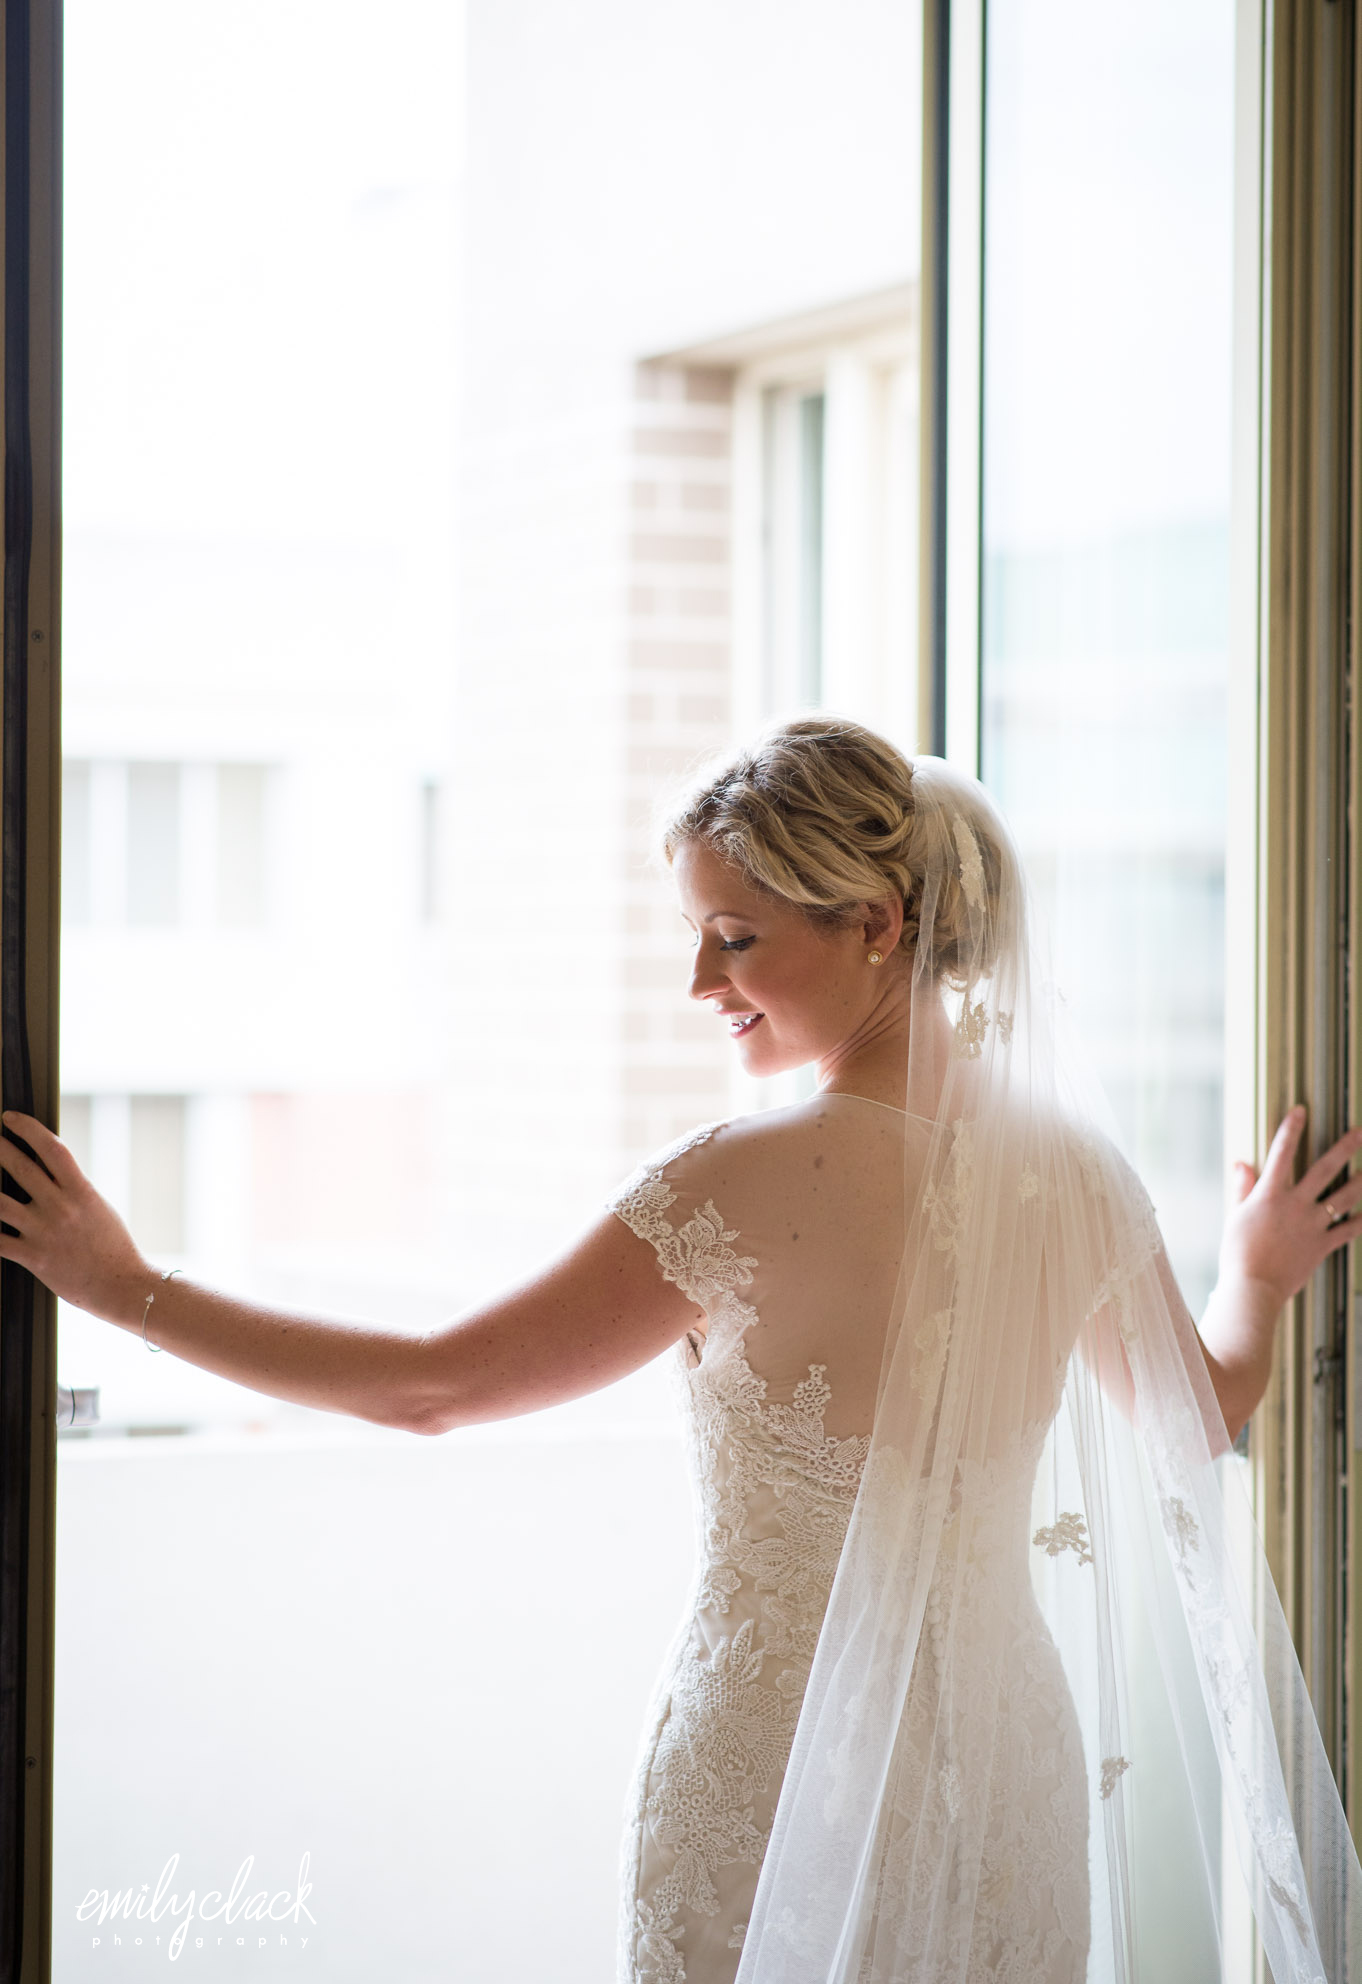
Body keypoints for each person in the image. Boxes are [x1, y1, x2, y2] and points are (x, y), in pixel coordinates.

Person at [4, 715, 1361, 1981]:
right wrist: (1255, 1273)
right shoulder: (1076, 1175)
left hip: (772, 1774)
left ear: (879, 924)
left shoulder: (731, 1185)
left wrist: (123, 1288)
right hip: (1004, 1762)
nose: (698, 981)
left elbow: (435, 1385)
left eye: (732, 937)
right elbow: (1198, 1411)